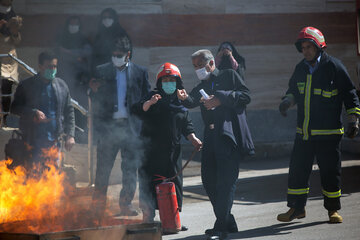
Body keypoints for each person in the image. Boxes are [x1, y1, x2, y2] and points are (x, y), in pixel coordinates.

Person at [277, 26, 360, 224]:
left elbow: (350, 95)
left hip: (329, 135)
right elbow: (293, 90)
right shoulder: (301, 68)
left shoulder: (335, 67)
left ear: (319, 47)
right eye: (303, 47)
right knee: (297, 172)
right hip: (304, 133)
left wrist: (353, 119)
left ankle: (332, 211)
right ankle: (296, 209)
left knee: (331, 173)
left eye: (309, 47)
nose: (305, 51)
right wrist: (287, 101)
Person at [177, 49, 254, 240]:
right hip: (210, 136)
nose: (198, 70)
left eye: (200, 65)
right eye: (195, 66)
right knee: (208, 179)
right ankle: (227, 220)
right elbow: (192, 101)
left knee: (226, 182)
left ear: (211, 63)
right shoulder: (203, 84)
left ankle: (221, 225)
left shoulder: (229, 75)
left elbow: (245, 96)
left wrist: (221, 99)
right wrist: (183, 97)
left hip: (227, 135)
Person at [132, 62, 202, 225]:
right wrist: (149, 104)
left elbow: (187, 126)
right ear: (159, 83)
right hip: (150, 154)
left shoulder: (180, 104)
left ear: (178, 83)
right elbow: (136, 110)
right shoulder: (152, 97)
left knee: (174, 186)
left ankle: (172, 220)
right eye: (165, 80)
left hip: (172, 155)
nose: (169, 83)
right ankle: (148, 219)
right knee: (148, 185)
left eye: (172, 80)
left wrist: (193, 139)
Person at [89, 36, 150, 217]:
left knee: (130, 168)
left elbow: (146, 98)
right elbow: (94, 97)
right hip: (109, 128)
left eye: (119, 55)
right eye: (113, 55)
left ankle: (126, 204)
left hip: (130, 128)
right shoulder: (102, 71)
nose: (116, 57)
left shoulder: (140, 72)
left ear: (128, 55)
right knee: (103, 168)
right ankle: (98, 205)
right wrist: (92, 90)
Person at [10, 51, 75, 166]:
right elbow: (14, 108)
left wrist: (70, 135)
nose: (53, 69)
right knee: (32, 178)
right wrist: (32, 112)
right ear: (40, 67)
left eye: (55, 66)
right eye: (49, 66)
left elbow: (69, 111)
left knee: (52, 177)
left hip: (54, 141)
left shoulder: (62, 86)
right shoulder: (26, 86)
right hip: (31, 140)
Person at [56, 15, 92, 143]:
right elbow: (58, 53)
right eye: (71, 24)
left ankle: (80, 133)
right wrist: (76, 55)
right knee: (65, 106)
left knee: (80, 107)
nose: (73, 27)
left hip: (80, 80)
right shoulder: (61, 38)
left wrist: (69, 53)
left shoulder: (83, 39)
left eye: (76, 24)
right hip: (64, 78)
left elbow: (87, 53)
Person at [0, 0, 22, 126]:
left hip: (9, 61)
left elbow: (17, 41)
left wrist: (14, 31)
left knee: (7, 90)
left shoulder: (12, 17)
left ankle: (6, 120)